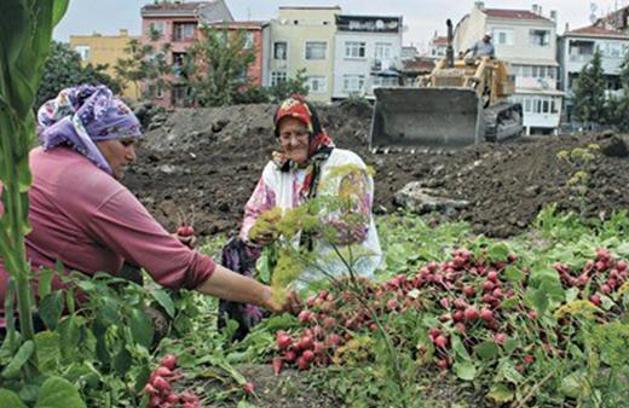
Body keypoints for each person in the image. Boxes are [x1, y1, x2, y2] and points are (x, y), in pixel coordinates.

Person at [0, 85, 298, 333]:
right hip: (24, 318)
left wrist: (159, 241)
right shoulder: (91, 185)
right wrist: (267, 295)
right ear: (92, 138)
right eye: (125, 142)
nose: (132, 155)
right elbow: (185, 267)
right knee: (149, 326)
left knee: (129, 267)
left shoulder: (38, 158)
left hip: (19, 293)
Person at [219, 95, 382, 338]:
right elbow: (253, 212)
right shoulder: (276, 170)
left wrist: (309, 224)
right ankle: (239, 334)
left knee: (331, 330)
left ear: (314, 131)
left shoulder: (347, 165)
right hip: (295, 276)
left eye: (300, 133)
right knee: (234, 250)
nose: (293, 142)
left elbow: (356, 227)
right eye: (286, 136)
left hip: (343, 273)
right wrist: (256, 231)